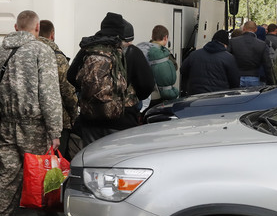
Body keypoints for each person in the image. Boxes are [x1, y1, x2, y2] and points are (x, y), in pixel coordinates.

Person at [0, 10, 64, 216]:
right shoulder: (42, 51)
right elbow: (49, 94)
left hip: (7, 124)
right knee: (43, 177)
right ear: (37, 26)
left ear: (15, 26)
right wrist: (55, 129)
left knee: (7, 179)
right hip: (35, 125)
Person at [68, 13, 154, 145]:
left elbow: (71, 76)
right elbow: (147, 85)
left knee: (92, 161)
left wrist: (90, 92)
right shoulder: (131, 51)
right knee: (118, 161)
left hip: (90, 121)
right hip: (122, 121)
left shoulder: (88, 49)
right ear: (121, 32)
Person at [37, 19, 80, 160]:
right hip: (58, 122)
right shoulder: (58, 57)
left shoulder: (27, 52)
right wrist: (74, 115)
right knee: (54, 163)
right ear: (52, 34)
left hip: (32, 121)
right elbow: (68, 91)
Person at [180, 29, 240, 94]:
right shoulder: (229, 58)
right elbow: (235, 82)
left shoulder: (194, 54)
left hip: (195, 96)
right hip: (217, 98)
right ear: (225, 44)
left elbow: (182, 70)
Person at [137, 25, 178, 107]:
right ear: (165, 37)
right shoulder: (163, 53)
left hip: (141, 95)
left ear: (152, 36)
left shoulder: (141, 48)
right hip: (157, 96)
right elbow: (174, 67)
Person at [228, 20, 274, 86]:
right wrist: (270, 82)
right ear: (255, 30)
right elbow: (267, 65)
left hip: (237, 77)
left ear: (243, 29)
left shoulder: (233, 42)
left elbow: (228, 60)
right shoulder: (262, 44)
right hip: (254, 77)